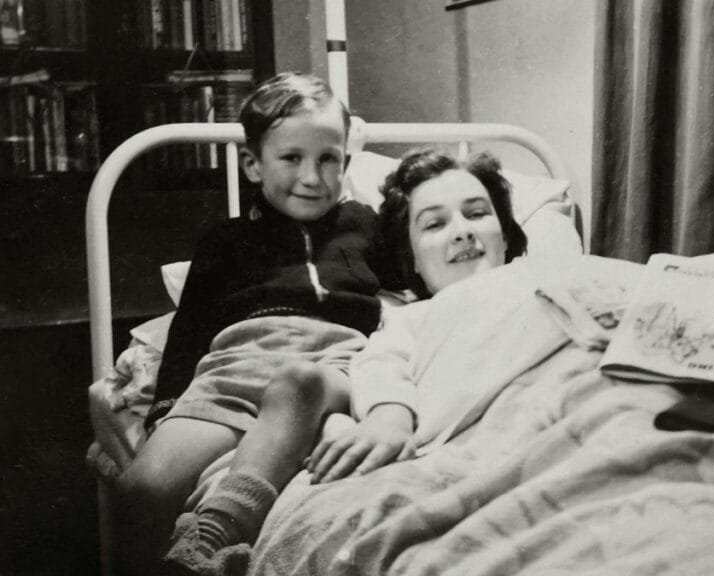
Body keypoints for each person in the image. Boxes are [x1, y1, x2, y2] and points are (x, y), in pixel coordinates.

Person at [113, 72, 387, 576]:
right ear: (253, 166)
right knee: (140, 489)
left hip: (331, 363)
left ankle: (217, 529)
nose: (312, 177)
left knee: (298, 384)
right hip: (234, 365)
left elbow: (427, 273)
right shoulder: (226, 240)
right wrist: (166, 411)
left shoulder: (366, 225)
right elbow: (189, 331)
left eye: (329, 158)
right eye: (291, 158)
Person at [302, 147, 529, 482]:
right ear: (414, 261)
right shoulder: (412, 319)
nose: (463, 231)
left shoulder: (546, 283)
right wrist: (389, 418)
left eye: (477, 214)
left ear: (506, 236)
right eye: (435, 224)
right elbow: (381, 365)